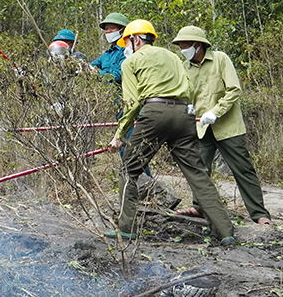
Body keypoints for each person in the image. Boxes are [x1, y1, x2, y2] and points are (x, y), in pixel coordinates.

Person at [106, 19, 235, 245]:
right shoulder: (173, 57)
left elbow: (132, 102)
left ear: (136, 39)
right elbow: (190, 87)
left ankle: (125, 229)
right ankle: (225, 233)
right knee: (197, 174)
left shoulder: (131, 61)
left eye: (126, 41)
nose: (125, 46)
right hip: (184, 115)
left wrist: (119, 135)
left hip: (154, 113)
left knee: (129, 170)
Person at [172, 26, 272, 226]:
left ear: (197, 44)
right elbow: (185, 94)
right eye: (180, 45)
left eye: (185, 44)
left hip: (227, 127)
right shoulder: (185, 67)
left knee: (242, 169)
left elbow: (234, 90)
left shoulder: (220, 59)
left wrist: (215, 112)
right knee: (199, 168)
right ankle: (199, 207)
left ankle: (259, 214)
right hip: (201, 127)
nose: (182, 48)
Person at [92, 12, 180, 209]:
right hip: (122, 107)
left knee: (134, 154)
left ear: (128, 33)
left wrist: (97, 73)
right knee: (130, 153)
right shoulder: (107, 54)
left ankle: (150, 196)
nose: (107, 31)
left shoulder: (128, 56)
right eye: (105, 29)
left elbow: (116, 77)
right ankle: (144, 194)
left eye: (111, 28)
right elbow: (93, 68)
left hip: (140, 108)